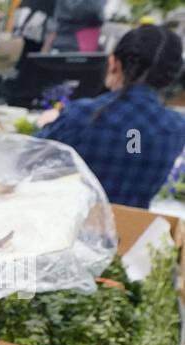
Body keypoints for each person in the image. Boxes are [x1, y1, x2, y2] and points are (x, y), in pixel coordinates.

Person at [38, 24, 185, 209]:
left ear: (114, 63)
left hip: (69, 224)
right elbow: (133, 148)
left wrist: (47, 124)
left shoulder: (81, 115)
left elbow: (29, 163)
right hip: (130, 230)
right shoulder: (176, 127)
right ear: (170, 77)